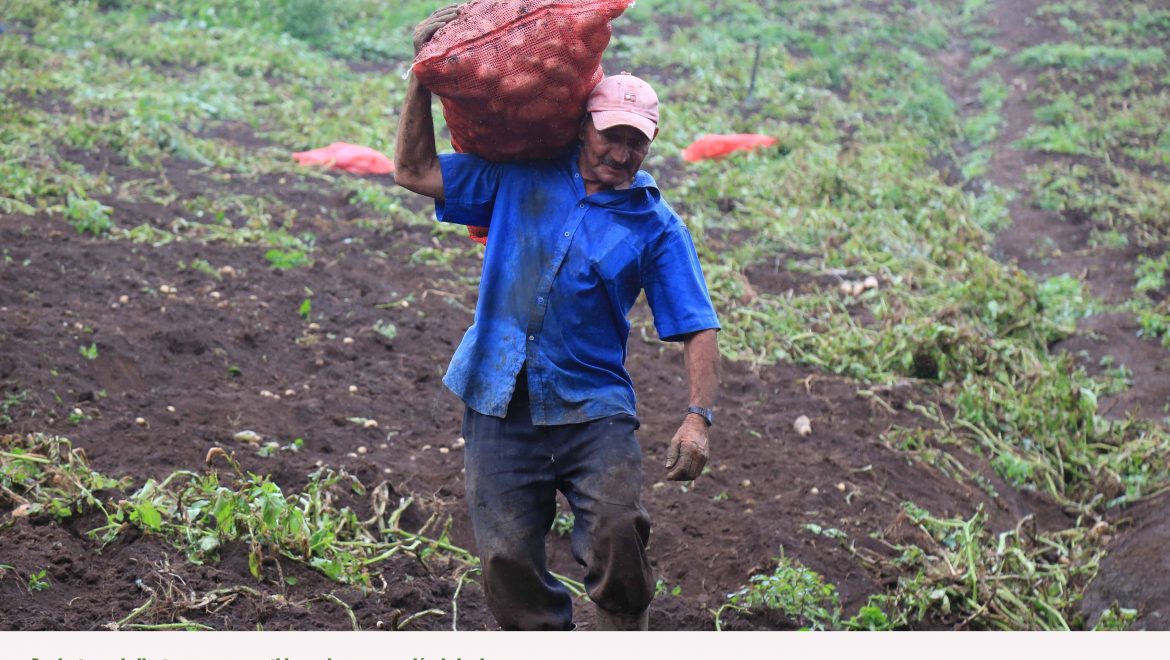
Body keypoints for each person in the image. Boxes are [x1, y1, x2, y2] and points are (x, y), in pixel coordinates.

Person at [393, 4, 720, 631]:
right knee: (506, 557)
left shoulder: (656, 227)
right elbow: (414, 171)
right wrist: (421, 79)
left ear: (650, 144)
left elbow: (696, 324)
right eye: (611, 135)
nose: (622, 153)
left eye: (636, 141)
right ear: (582, 128)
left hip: (592, 405)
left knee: (619, 534)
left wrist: (696, 419)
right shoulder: (517, 179)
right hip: (497, 392)